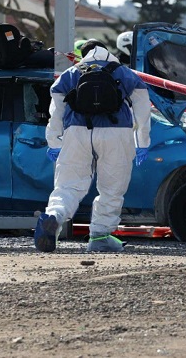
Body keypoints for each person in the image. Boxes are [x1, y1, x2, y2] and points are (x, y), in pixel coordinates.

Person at [34, 39, 152, 253]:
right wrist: (142, 142)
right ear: (107, 51)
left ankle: (54, 215)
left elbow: (56, 111)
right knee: (112, 188)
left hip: (77, 132)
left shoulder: (71, 73)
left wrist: (54, 142)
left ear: (83, 54)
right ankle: (100, 236)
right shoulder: (124, 73)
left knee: (68, 185)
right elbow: (143, 109)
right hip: (117, 133)